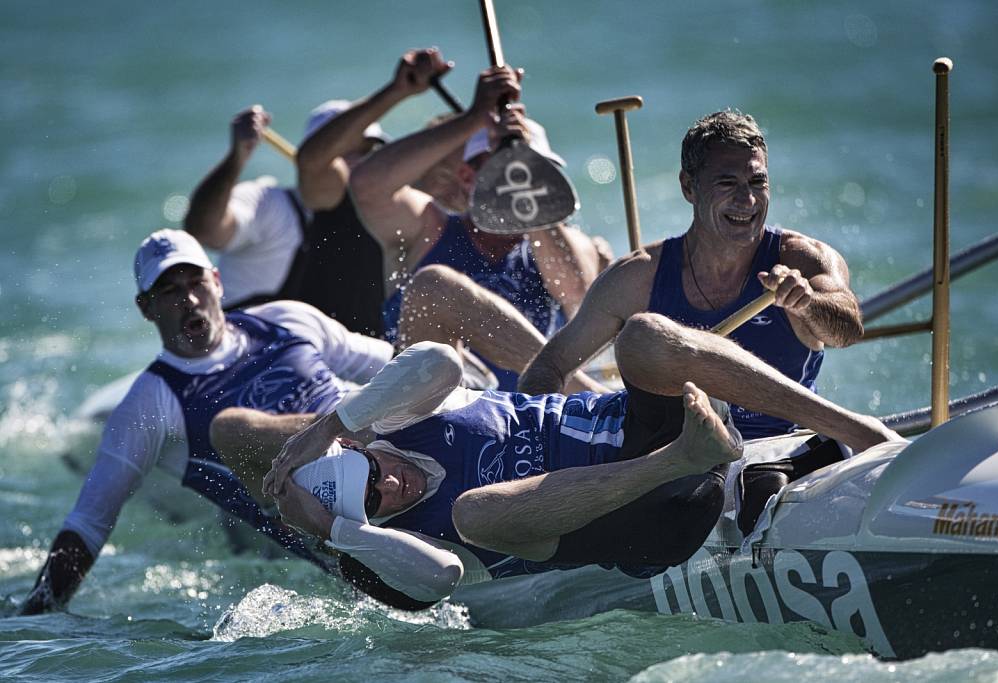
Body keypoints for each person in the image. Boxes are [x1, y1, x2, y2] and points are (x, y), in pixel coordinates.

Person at [228, 313, 897, 610]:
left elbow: (439, 362)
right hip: (646, 516)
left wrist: (333, 424)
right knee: (472, 511)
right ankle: (684, 458)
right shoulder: (398, 542)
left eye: (373, 473)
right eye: (375, 500)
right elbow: (443, 578)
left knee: (643, 335)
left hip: (643, 429)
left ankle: (848, 425)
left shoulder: (394, 418)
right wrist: (346, 529)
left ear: (360, 450)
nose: (391, 486)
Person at [17, 229, 395, 615]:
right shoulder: (151, 402)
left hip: (400, 446)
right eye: (169, 291)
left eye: (196, 282)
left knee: (435, 289)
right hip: (356, 531)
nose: (190, 300)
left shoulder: (287, 321)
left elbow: (396, 364)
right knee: (232, 428)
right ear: (146, 308)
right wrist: (34, 615)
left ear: (216, 282)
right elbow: (89, 522)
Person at [520, 110, 865, 439]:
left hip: (784, 448)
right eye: (727, 183)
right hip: (680, 463)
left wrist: (808, 304)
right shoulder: (639, 276)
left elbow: (847, 330)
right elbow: (546, 370)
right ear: (689, 186)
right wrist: (552, 443)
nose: (747, 200)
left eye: (757, 182)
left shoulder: (803, 259)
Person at [348, 53, 605, 391]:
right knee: (436, 285)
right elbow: (366, 186)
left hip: (533, 412)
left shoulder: (573, 243)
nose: (519, 177)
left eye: (532, 169)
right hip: (438, 406)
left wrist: (520, 164)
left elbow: (576, 294)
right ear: (468, 178)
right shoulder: (427, 228)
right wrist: (475, 118)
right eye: (503, 168)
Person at [184, 91, 393, 336]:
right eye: (349, 153)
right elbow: (204, 231)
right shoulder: (268, 206)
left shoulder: (384, 216)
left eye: (369, 153)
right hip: (253, 359)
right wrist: (236, 159)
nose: (362, 165)